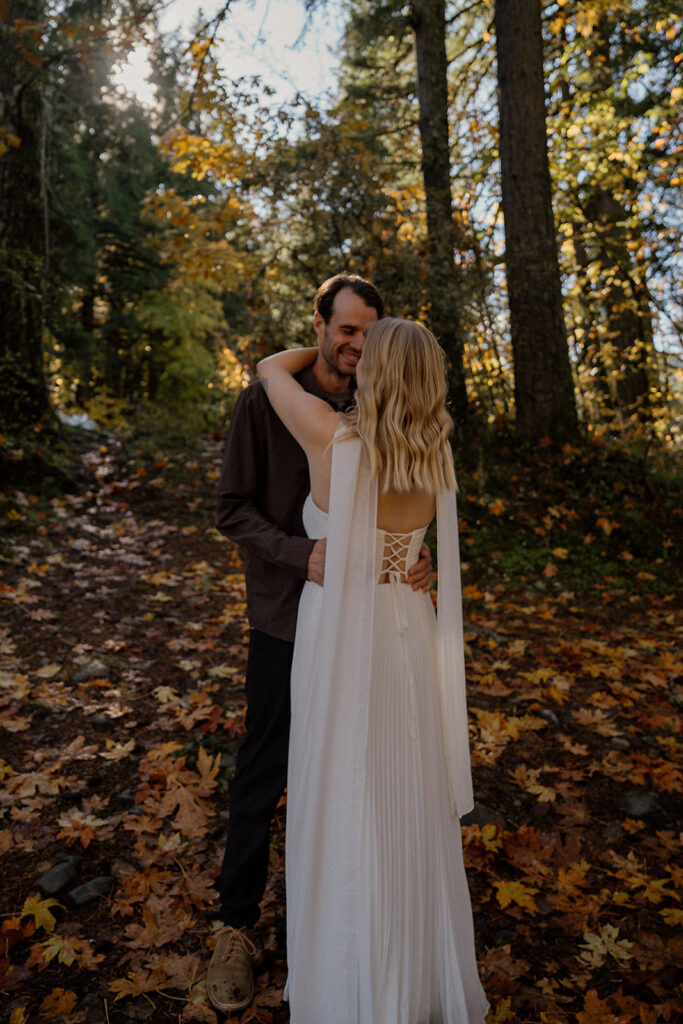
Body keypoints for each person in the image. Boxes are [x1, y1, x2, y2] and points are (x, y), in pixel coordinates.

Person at [209, 276, 432, 1014]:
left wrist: (413, 559)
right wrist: (295, 552)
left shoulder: (382, 408)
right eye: (343, 330)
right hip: (286, 613)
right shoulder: (269, 405)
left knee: (357, 776)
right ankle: (235, 930)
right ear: (319, 325)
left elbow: (409, 505)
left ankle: (352, 923)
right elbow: (230, 509)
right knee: (264, 769)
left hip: (370, 626)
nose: (355, 345)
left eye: (369, 333)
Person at [256, 318, 489, 1023]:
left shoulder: (332, 438)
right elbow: (422, 554)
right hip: (404, 631)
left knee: (342, 790)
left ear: (374, 372)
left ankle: (349, 984)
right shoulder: (434, 456)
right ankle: (410, 975)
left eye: (366, 355)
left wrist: (331, 343)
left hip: (342, 634)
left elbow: (271, 367)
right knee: (405, 795)